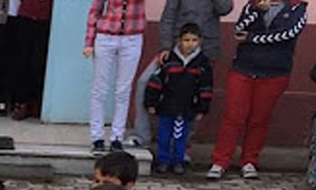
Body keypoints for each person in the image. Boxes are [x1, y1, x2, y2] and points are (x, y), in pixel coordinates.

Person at [208, 0, 308, 181]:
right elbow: (239, 28)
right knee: (233, 116)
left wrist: (251, 38)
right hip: (243, 68)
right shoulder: (252, 5)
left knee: (259, 119)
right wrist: (256, 11)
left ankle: (249, 161)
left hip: (274, 72)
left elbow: (286, 35)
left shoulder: (297, 8)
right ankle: (220, 161)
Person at [129, 0, 234, 149]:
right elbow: (168, 17)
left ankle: (183, 143)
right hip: (175, 48)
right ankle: (142, 136)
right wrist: (165, 46)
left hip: (205, 50)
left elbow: (225, 9)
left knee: (196, 95)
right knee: (144, 82)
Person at [144, 23, 214, 175]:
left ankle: (178, 161)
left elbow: (206, 87)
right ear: (179, 41)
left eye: (194, 40)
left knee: (181, 136)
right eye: (186, 40)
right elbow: (156, 82)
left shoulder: (202, 63)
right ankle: (163, 161)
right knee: (163, 135)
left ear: (200, 41)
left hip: (187, 108)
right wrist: (151, 102)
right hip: (167, 106)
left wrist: (202, 107)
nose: (190, 44)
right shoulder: (169, 60)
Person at [84, 0, 147, 153]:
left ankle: (117, 137)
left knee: (123, 91)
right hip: (106, 36)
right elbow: (95, 11)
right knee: (100, 89)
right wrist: (89, 42)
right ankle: (96, 137)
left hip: (132, 38)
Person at [8, 0, 53, 121]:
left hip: (45, 19)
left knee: (38, 64)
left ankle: (36, 103)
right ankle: (22, 103)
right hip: (25, 18)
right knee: (22, 62)